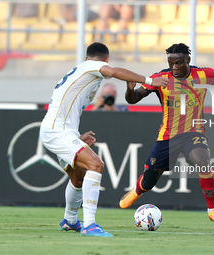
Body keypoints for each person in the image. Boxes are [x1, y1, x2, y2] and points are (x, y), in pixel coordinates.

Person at [119, 43, 214, 227]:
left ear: (188, 60)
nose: (174, 67)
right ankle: (137, 191)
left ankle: (212, 210)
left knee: (203, 161)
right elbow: (134, 98)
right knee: (149, 182)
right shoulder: (160, 78)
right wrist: (130, 90)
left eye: (178, 62)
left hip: (194, 132)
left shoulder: (204, 75)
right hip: (168, 136)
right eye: (171, 63)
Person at [40, 42, 168, 237]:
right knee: (96, 165)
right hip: (56, 131)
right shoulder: (91, 66)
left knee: (78, 175)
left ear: (85, 57)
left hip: (60, 130)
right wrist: (150, 80)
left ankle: (70, 220)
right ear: (105, 60)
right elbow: (114, 71)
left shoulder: (81, 70)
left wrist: (75, 136)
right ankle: (90, 225)